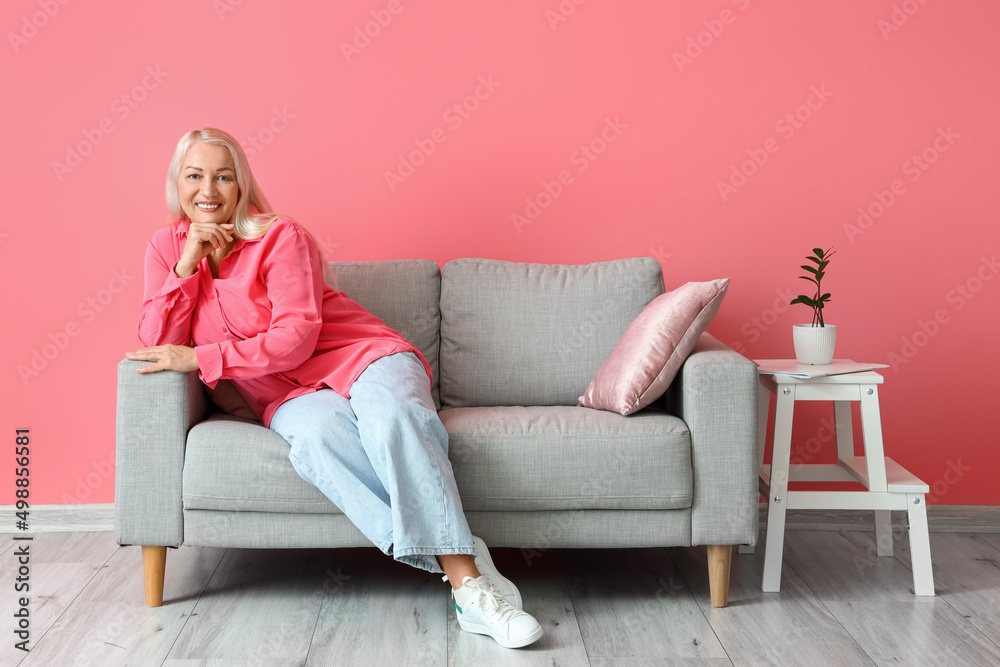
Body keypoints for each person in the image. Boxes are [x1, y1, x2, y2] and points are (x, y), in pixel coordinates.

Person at [126, 127, 543, 649]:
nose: (208, 189)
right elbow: (156, 341)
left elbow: (295, 339)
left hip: (363, 356)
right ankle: (458, 549)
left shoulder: (281, 236)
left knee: (394, 419)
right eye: (194, 175)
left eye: (223, 176)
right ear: (177, 183)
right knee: (318, 441)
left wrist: (204, 357)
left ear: (241, 185)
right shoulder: (165, 248)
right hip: (286, 396)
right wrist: (187, 265)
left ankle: (470, 587)